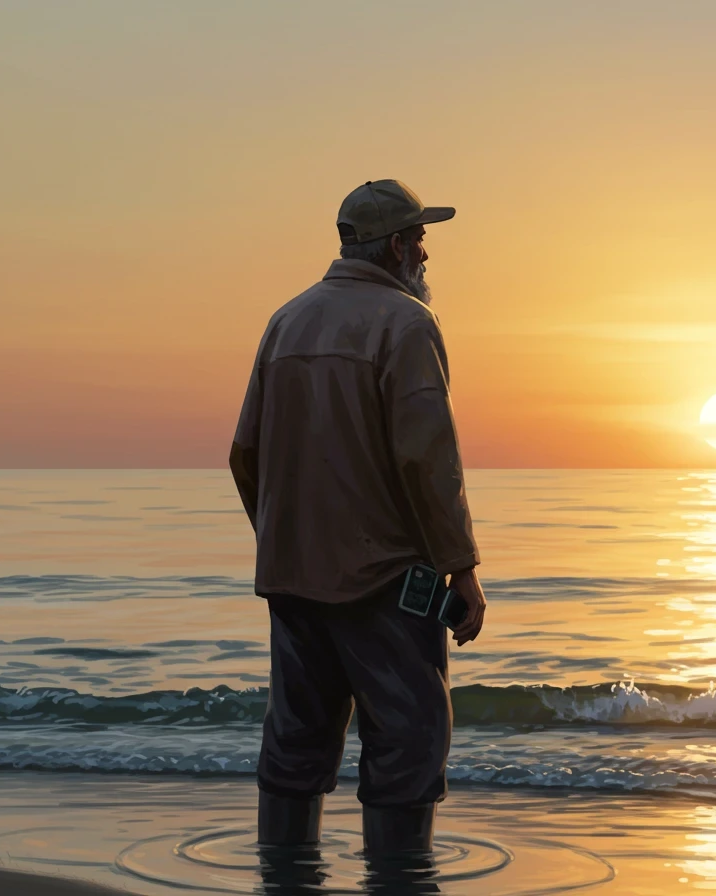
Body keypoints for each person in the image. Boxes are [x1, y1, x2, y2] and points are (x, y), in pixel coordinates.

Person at [228, 179, 487, 861]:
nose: (427, 255)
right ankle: (398, 880)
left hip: (292, 577)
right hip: (385, 581)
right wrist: (460, 568)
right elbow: (427, 461)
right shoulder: (405, 324)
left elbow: (244, 452)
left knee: (296, 741)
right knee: (409, 740)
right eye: (422, 240)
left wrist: (284, 539)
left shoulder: (285, 321)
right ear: (398, 246)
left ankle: (282, 877)